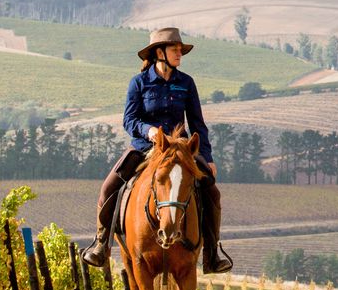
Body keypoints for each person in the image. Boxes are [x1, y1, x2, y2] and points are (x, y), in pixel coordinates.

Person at [81, 27, 232, 273]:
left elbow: (197, 123)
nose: (179, 54)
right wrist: (148, 130)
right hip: (145, 148)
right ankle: (100, 245)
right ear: (159, 52)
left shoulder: (186, 83)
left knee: (212, 193)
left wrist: (207, 157)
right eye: (175, 49)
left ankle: (213, 252)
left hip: (179, 151)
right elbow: (129, 120)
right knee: (108, 187)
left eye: (181, 50)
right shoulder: (139, 83)